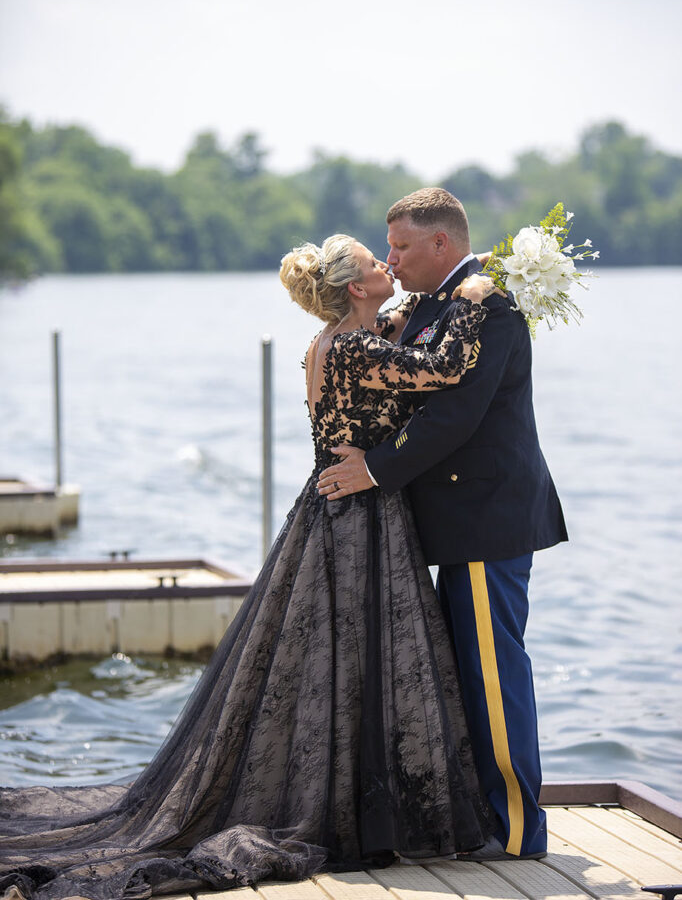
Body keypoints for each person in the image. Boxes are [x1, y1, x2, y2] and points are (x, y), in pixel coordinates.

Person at [0, 234, 501, 900]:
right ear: (355, 287)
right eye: (376, 262)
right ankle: (358, 806)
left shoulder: (333, 341)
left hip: (330, 511)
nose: (388, 267)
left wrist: (421, 304)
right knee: (356, 661)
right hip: (361, 520)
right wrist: (473, 296)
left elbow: (397, 332)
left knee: (333, 665)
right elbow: (442, 369)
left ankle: (355, 797)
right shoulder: (354, 347)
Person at [318, 189, 568, 861]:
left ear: (441, 245)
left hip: (488, 519)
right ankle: (471, 817)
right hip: (448, 521)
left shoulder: (489, 304)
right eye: (387, 247)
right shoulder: (431, 306)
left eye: (400, 246)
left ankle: (515, 832)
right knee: (459, 673)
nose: (392, 259)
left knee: (491, 673)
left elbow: (456, 416)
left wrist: (372, 470)